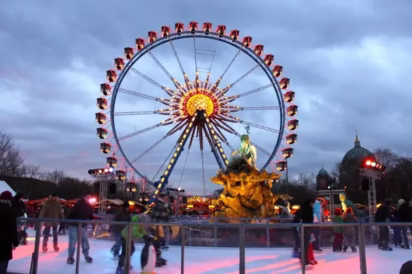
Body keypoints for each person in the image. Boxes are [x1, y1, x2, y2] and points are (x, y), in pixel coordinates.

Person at [67, 192, 94, 264]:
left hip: (83, 226)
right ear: (84, 197)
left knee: (85, 240)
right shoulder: (78, 205)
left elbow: (90, 215)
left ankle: (86, 255)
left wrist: (94, 218)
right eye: (88, 197)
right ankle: (70, 257)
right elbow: (71, 214)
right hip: (74, 225)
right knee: (73, 241)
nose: (89, 199)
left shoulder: (89, 206)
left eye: (90, 198)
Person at [0, 191, 19, 274]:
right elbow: (12, 228)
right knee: (2, 266)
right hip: (4, 243)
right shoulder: (10, 210)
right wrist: (15, 241)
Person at [294, 198, 315, 266]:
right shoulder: (307, 209)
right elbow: (308, 220)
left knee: (304, 244)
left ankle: (303, 258)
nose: (313, 205)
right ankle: (305, 259)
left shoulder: (303, 208)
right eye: (312, 203)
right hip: (305, 228)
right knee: (305, 245)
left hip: (304, 228)